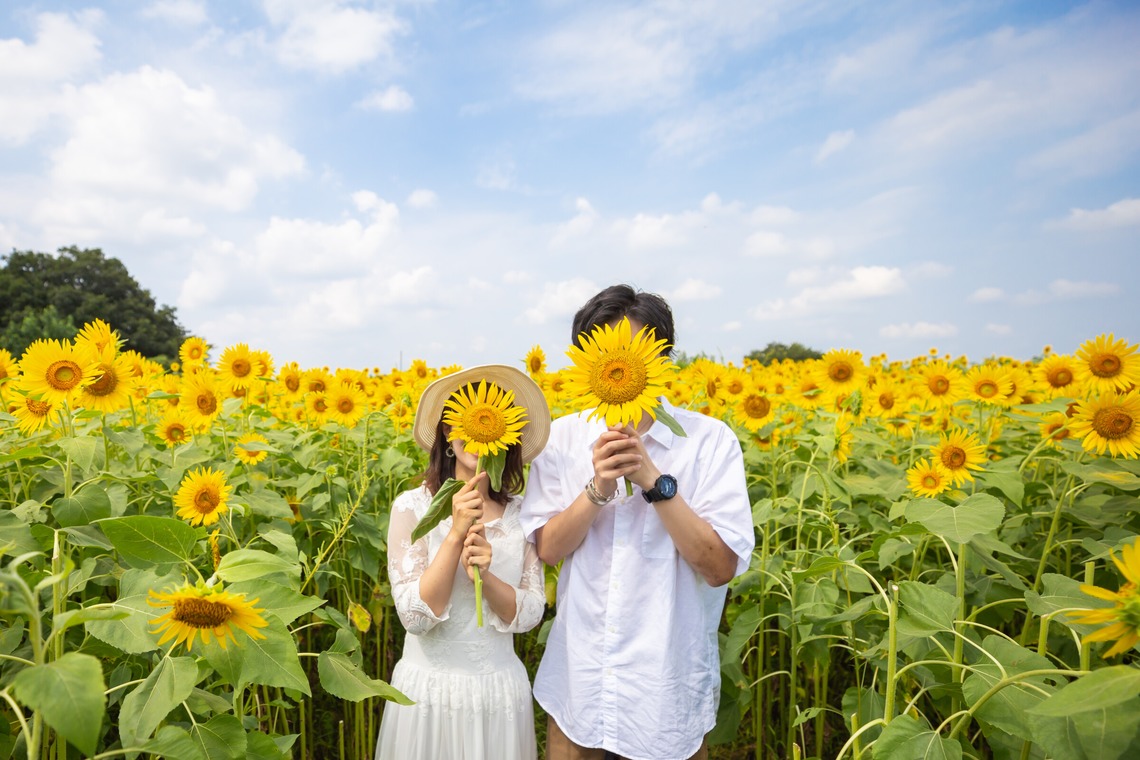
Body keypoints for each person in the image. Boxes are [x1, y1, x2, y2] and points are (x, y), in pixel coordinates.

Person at [520, 285, 755, 760]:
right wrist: (597, 490)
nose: (615, 366)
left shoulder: (709, 442)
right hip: (580, 683)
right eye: (602, 355)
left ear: (659, 359)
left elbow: (720, 568)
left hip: (666, 690)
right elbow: (547, 549)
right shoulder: (562, 439)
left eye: (628, 353)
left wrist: (653, 481)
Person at [376, 364, 550, 760]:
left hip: (498, 694)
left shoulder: (523, 515)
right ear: (448, 435)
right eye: (466, 421)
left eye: (491, 421)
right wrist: (454, 534)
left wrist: (486, 577)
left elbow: (529, 616)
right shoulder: (411, 507)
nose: (478, 432)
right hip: (430, 694)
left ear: (508, 438)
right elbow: (415, 617)